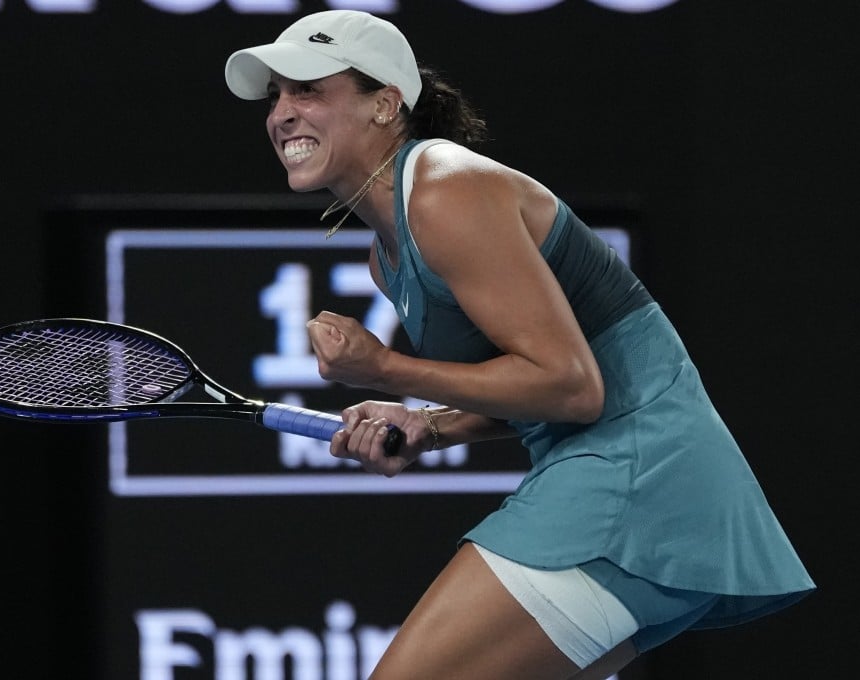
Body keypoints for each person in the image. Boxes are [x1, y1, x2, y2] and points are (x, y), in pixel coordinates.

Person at [225, 10, 815, 679]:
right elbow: (539, 388)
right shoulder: (387, 255)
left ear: (385, 104)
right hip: (653, 489)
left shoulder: (444, 190)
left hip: (636, 484)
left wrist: (385, 368)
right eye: (275, 96)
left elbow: (572, 387)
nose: (282, 114)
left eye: (307, 90)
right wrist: (429, 426)